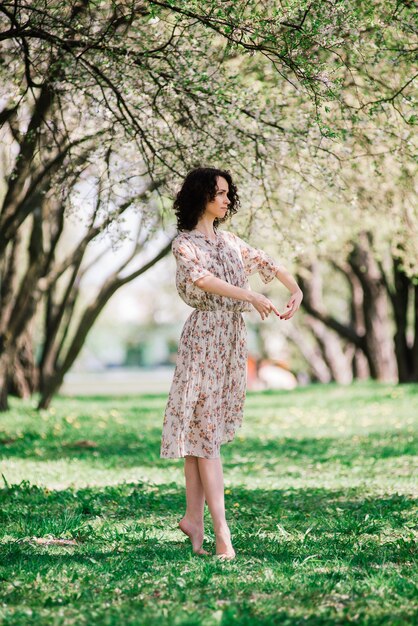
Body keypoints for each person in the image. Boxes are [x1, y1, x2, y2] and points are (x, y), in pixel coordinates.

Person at [160, 167, 303, 559]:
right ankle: (222, 533)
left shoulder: (231, 242)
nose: (226, 200)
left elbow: (267, 264)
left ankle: (193, 521)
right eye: (218, 193)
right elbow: (203, 280)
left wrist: (296, 289)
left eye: (227, 194)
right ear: (200, 197)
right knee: (203, 433)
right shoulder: (184, 244)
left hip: (230, 341)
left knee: (201, 434)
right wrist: (249, 296)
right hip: (204, 338)